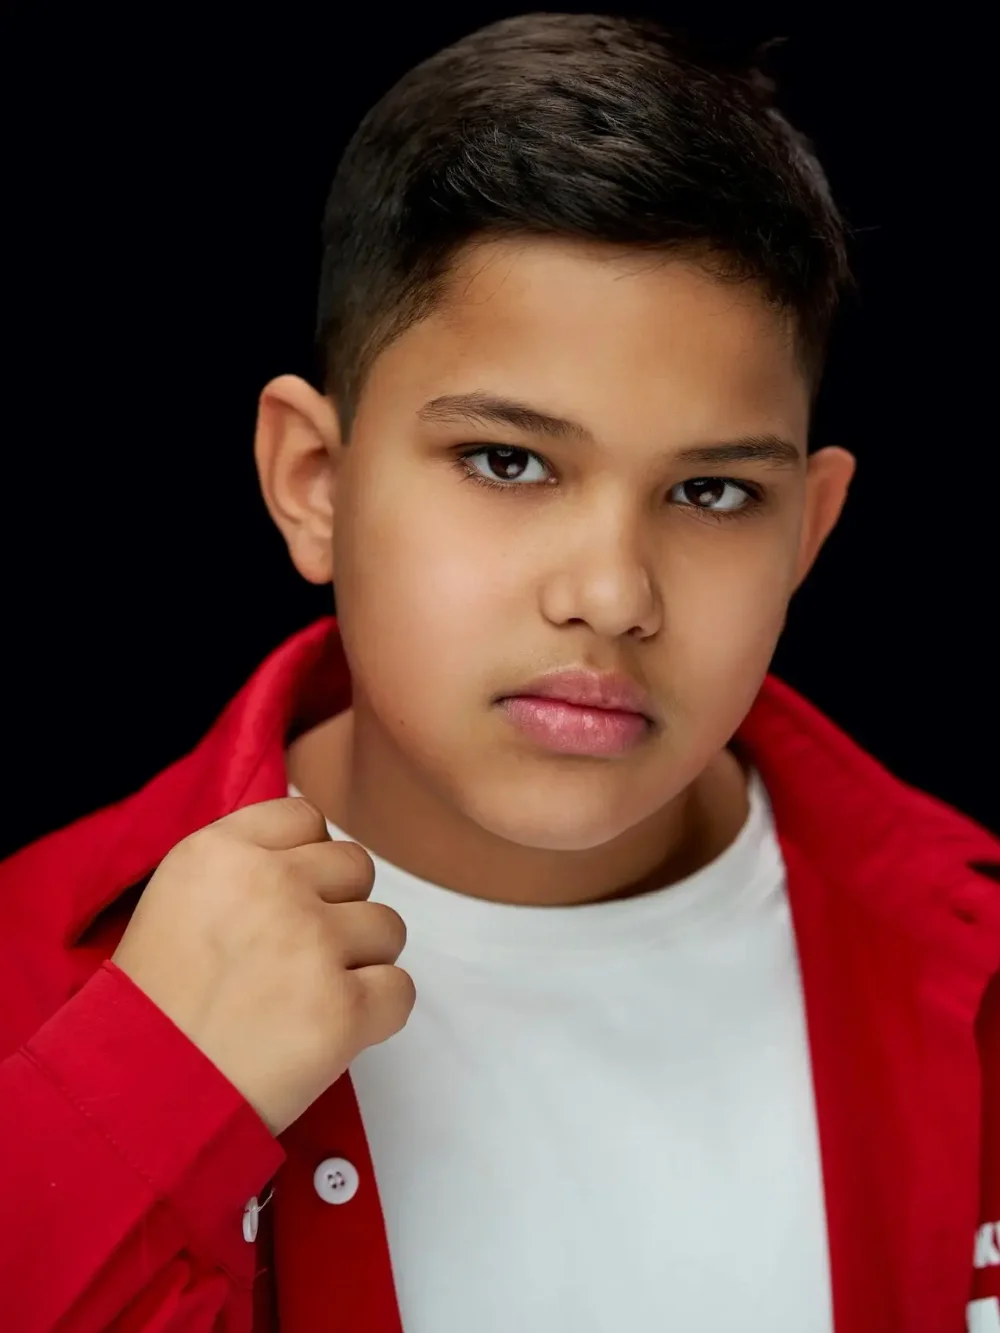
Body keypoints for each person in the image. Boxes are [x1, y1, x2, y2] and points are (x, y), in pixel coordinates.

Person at [2, 12, 998, 1333]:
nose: (613, 594)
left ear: (808, 534)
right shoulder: (34, 988)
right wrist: (139, 1098)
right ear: (315, 482)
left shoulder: (973, 967)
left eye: (711, 491)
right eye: (509, 462)